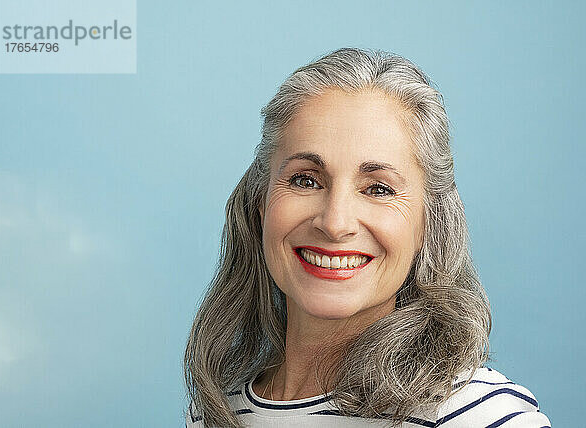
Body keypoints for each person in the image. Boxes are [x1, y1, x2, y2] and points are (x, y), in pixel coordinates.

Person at [183, 47, 551, 427]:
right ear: (261, 204)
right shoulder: (215, 412)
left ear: (428, 222)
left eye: (378, 189)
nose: (335, 222)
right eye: (305, 180)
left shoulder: (481, 417)